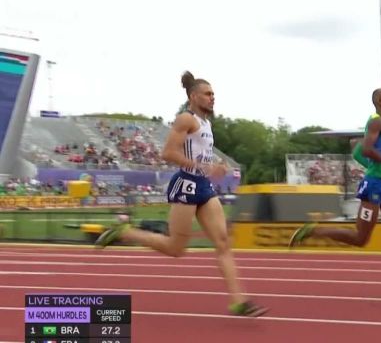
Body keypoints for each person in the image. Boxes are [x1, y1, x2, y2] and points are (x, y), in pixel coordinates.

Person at [95, 71, 268, 317]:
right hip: (186, 184)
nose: (212, 98)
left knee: (223, 242)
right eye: (207, 94)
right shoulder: (185, 119)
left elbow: (200, 154)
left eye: (213, 94)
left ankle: (239, 301)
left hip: (204, 186)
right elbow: (167, 153)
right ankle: (126, 232)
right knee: (176, 249)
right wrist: (206, 167)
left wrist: (216, 164)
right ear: (193, 96)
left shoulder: (207, 124)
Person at [289, 88, 381, 301]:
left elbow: (358, 152)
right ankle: (315, 230)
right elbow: (368, 149)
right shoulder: (376, 121)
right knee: (360, 239)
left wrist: (376, 166)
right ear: (380, 101)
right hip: (373, 187)